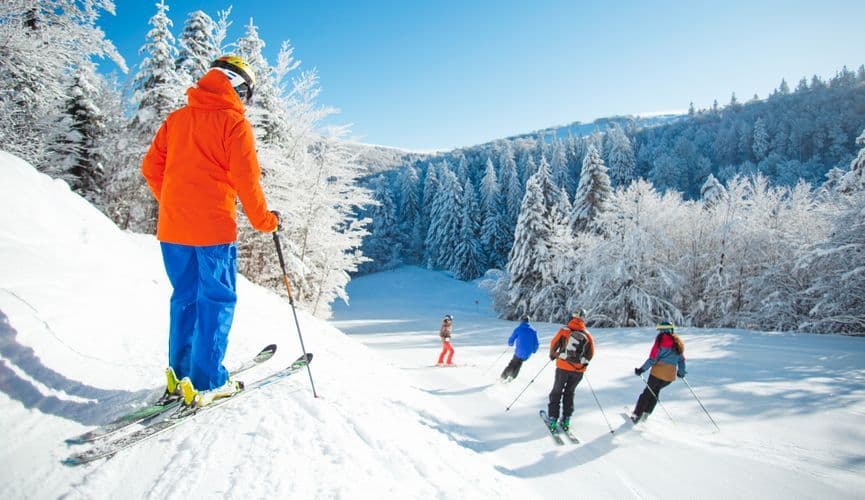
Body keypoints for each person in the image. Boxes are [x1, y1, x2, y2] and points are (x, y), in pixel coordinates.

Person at [141, 55, 279, 408]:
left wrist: (174, 202)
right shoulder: (234, 125)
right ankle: (205, 382)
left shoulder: (177, 119)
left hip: (173, 230)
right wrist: (266, 221)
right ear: (236, 86)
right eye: (246, 91)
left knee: (184, 297)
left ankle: (179, 373)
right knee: (216, 300)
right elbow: (247, 183)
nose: (246, 100)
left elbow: (150, 168)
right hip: (213, 231)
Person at [546, 310, 594, 433]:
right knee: (570, 393)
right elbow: (591, 353)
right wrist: (582, 364)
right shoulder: (587, 335)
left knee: (556, 392)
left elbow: (554, 344)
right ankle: (566, 418)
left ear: (573, 317)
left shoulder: (565, 331)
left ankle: (552, 418)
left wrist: (553, 354)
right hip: (578, 371)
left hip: (563, 367)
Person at [630, 322, 687, 423]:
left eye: (660, 330)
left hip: (657, 373)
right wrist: (681, 372)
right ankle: (645, 414)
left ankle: (636, 415)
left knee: (647, 393)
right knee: (655, 392)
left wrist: (641, 369)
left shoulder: (660, 341)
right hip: (669, 377)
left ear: (662, 330)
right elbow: (681, 360)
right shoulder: (678, 343)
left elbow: (652, 359)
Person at [500, 316, 539, 382]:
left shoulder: (519, 329)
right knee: (519, 363)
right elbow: (536, 343)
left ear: (521, 321)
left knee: (512, 363)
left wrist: (510, 343)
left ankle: (503, 377)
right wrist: (534, 350)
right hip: (528, 353)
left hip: (519, 351)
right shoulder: (533, 330)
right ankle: (512, 377)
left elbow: (512, 338)